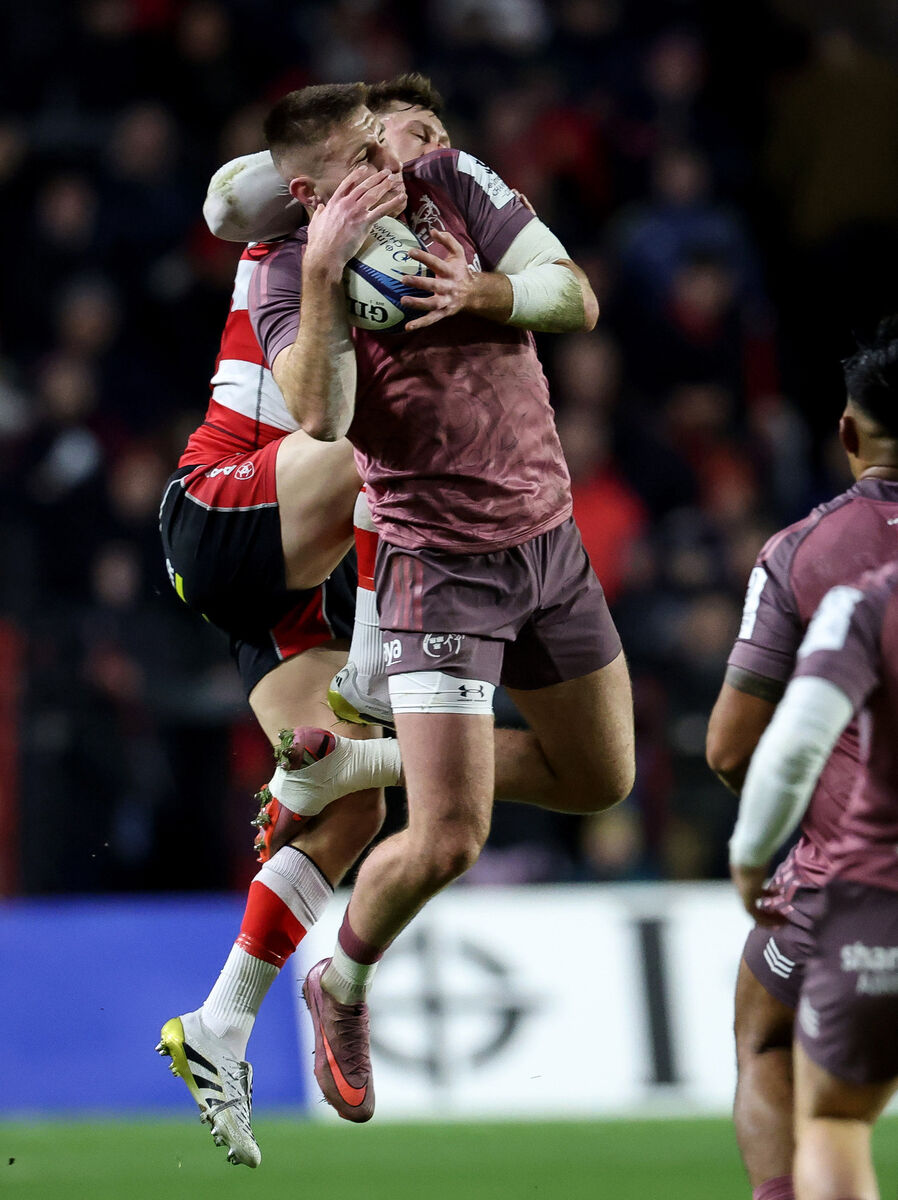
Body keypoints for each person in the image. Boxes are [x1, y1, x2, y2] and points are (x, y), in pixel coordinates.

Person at [249, 82, 635, 1124]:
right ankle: (344, 980)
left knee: (600, 781)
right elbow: (322, 417)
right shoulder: (285, 276)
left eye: (384, 147)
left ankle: (368, 760)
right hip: (437, 567)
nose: (385, 172)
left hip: (548, 539)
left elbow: (576, 295)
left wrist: (488, 297)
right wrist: (328, 266)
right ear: (305, 190)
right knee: (449, 836)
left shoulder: (452, 184)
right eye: (357, 164)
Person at [155, 76, 452, 1169]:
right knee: (390, 436)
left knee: (354, 805)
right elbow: (229, 198)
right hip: (224, 499)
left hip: (288, 581)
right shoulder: (296, 219)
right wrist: (332, 181)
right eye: (394, 135)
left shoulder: (433, 231)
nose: (414, 152)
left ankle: (222, 1022)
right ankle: (371, 684)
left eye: (425, 135)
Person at [706, 316, 898, 1200]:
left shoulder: (805, 559)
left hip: (858, 885)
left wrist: (773, 847)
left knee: (775, 1045)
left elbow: (734, 748)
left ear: (848, 435)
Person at [729, 558, 898, 1200]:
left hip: (879, 894)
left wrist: (751, 857)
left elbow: (792, 746)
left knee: (833, 1115)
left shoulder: (866, 599)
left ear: (851, 448)